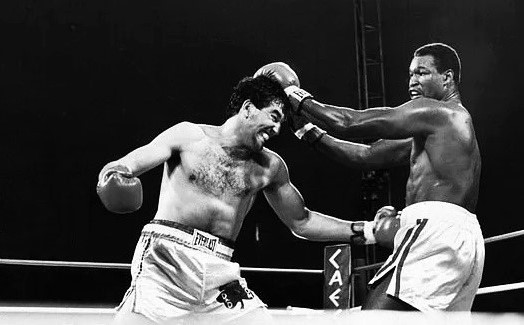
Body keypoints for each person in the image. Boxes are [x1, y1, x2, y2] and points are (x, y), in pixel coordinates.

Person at [96, 74, 390, 324]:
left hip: (219, 269)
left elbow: (302, 221)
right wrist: (114, 175)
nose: (277, 129)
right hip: (166, 259)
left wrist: (368, 231)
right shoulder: (189, 137)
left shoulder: (270, 167)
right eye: (274, 117)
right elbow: (128, 164)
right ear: (248, 108)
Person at [255, 42, 485, 312]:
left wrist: (295, 95)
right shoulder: (437, 130)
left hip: (436, 230)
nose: (412, 81)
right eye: (411, 74)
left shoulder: (440, 113)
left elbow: (350, 123)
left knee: (372, 317)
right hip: (465, 240)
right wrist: (306, 130)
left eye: (422, 73)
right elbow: (365, 156)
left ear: (447, 78)